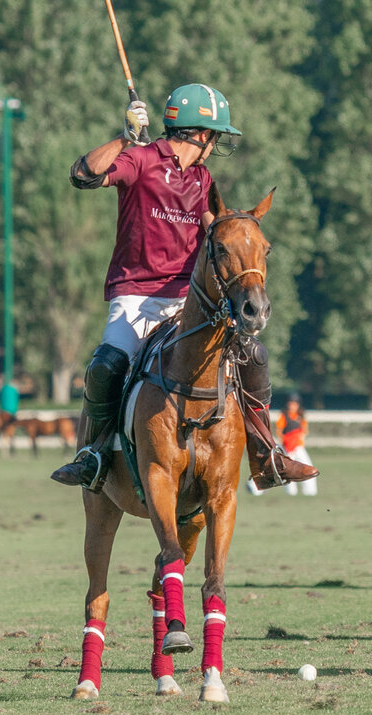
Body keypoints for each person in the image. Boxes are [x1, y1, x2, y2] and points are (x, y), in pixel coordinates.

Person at [51, 83, 317, 492]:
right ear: (201, 133)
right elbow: (84, 175)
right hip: (137, 296)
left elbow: (218, 234)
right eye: (217, 135)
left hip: (189, 301)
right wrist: (125, 137)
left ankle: (266, 458)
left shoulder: (202, 178)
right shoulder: (140, 159)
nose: (216, 144)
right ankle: (93, 454)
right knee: (107, 364)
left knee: (254, 356)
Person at [249, 393, 317, 496]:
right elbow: (279, 431)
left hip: (298, 446)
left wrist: (296, 440)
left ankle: (310, 491)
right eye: (290, 403)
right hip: (286, 446)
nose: (292, 405)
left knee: (307, 466)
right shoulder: (284, 415)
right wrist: (287, 442)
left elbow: (304, 431)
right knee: (286, 469)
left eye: (294, 403)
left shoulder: (301, 415)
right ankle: (290, 491)